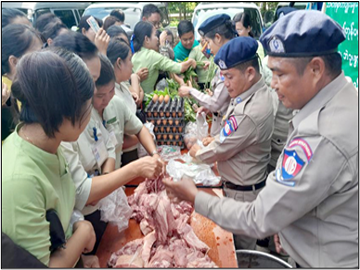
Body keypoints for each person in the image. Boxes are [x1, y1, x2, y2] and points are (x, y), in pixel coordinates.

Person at [163, 10, 358, 267]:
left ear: (316, 69)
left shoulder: (322, 134)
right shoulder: (340, 100)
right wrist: (285, 219)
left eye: (280, 74)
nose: (273, 84)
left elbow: (258, 217)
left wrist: (194, 197)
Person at [52, 31, 164, 254]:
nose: (98, 94)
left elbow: (107, 146)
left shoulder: (87, 113)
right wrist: (133, 169)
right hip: (79, 221)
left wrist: (109, 180)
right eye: (93, 85)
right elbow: (82, 192)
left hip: (98, 207)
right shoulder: (61, 131)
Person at [2, 49, 96, 267]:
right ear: (62, 112)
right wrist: (83, 232)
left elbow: (58, 219)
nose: (90, 114)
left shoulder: (50, 145)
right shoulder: (19, 182)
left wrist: (80, 257)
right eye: (88, 106)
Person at [190, 37, 274, 250]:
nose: (225, 83)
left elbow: (222, 149)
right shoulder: (249, 94)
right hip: (239, 187)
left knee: (239, 253)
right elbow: (229, 135)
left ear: (250, 73)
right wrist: (216, 138)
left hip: (242, 195)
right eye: (223, 76)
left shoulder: (250, 111)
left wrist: (198, 152)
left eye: (229, 76)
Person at [177, 14, 234, 137]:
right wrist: (208, 109)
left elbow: (216, 103)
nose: (207, 48)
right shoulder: (225, 58)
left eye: (208, 42)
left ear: (218, 38)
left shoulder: (229, 62)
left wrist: (191, 91)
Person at [98, 53, 157, 169]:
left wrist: (154, 154)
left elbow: (140, 129)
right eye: (101, 95)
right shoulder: (87, 117)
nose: (109, 97)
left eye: (112, 90)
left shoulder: (116, 102)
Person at [107, 38, 144, 166]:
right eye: (129, 59)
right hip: (124, 158)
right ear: (119, 63)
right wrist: (141, 136)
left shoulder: (122, 85)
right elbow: (117, 139)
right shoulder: (111, 96)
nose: (132, 65)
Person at [2, 24, 43, 142]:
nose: (44, 59)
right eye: (36, 55)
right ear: (14, 61)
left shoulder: (29, 84)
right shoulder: (6, 93)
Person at [131, 21, 196, 94]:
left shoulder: (134, 56)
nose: (157, 38)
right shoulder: (152, 55)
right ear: (147, 39)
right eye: (155, 35)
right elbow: (179, 68)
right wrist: (190, 61)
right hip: (148, 100)